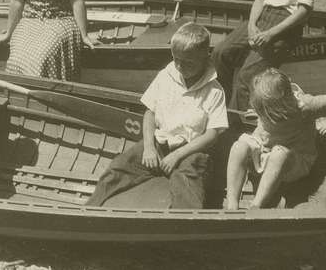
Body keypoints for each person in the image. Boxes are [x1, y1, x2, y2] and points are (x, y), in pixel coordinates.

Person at [87, 23, 228, 209]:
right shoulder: (166, 76)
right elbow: (149, 112)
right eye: (176, 59)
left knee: (187, 179)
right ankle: (90, 208)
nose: (180, 66)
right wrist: (149, 148)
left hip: (191, 151)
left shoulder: (214, 90)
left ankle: (184, 224)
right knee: (119, 166)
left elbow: (211, 135)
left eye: (188, 63)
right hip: (159, 145)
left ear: (204, 57)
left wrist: (177, 155)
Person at [225, 68, 326, 210]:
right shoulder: (263, 105)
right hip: (264, 155)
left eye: (269, 110)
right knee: (238, 147)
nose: (265, 113)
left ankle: (256, 207)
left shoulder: (305, 106)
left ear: (284, 102)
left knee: (278, 154)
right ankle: (232, 205)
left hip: (293, 162)